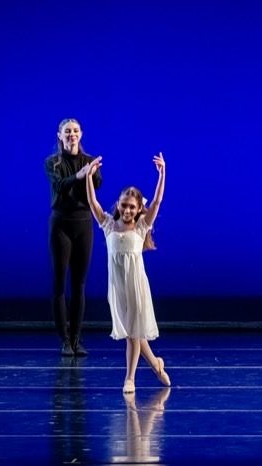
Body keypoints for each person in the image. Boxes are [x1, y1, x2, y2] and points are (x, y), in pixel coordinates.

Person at [85, 153, 171, 393]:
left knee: (133, 334)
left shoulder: (142, 226)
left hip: (136, 285)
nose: (127, 210)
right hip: (117, 287)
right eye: (124, 205)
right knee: (134, 332)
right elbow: (92, 202)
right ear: (118, 204)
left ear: (139, 208)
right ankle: (156, 364)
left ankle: (129, 379)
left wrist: (162, 174)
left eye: (132, 206)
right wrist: (89, 178)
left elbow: (157, 201)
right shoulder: (108, 225)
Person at [45, 118, 103, 357]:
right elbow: (59, 186)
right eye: (67, 131)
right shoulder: (52, 162)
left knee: (79, 284)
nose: (72, 134)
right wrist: (79, 175)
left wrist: (91, 174)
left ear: (81, 134)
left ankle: (77, 339)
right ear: (60, 135)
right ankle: (65, 340)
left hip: (83, 224)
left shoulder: (88, 160)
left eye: (75, 131)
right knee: (60, 283)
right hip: (61, 225)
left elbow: (97, 185)